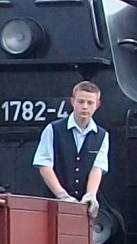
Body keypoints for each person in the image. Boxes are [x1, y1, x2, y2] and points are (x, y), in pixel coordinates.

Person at [33, 81, 108, 219]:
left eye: (90, 103)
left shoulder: (102, 135)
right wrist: (61, 195)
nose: (85, 106)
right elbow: (44, 165)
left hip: (84, 208)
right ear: (73, 102)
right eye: (81, 101)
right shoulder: (53, 129)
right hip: (53, 204)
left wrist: (91, 195)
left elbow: (97, 168)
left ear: (97, 105)